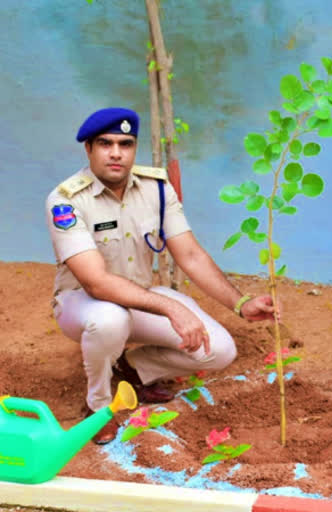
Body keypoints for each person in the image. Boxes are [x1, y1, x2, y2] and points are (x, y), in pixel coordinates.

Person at [46, 108, 277, 444]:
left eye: (125, 144)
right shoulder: (66, 200)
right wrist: (171, 307)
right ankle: (98, 408)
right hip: (81, 305)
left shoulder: (156, 189)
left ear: (134, 148)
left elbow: (191, 255)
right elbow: (96, 282)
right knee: (109, 320)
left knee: (220, 350)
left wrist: (240, 303)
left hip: (138, 298)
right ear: (89, 150)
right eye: (105, 144)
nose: (115, 153)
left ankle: (132, 370)